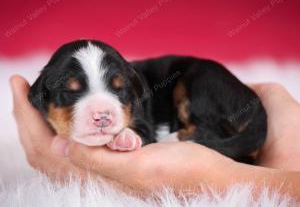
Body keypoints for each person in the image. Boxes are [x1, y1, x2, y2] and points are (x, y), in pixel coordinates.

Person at [10, 75, 300, 199]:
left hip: (205, 88)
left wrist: (219, 177)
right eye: (72, 93)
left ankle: (213, 136)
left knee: (196, 88)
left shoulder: (140, 96)